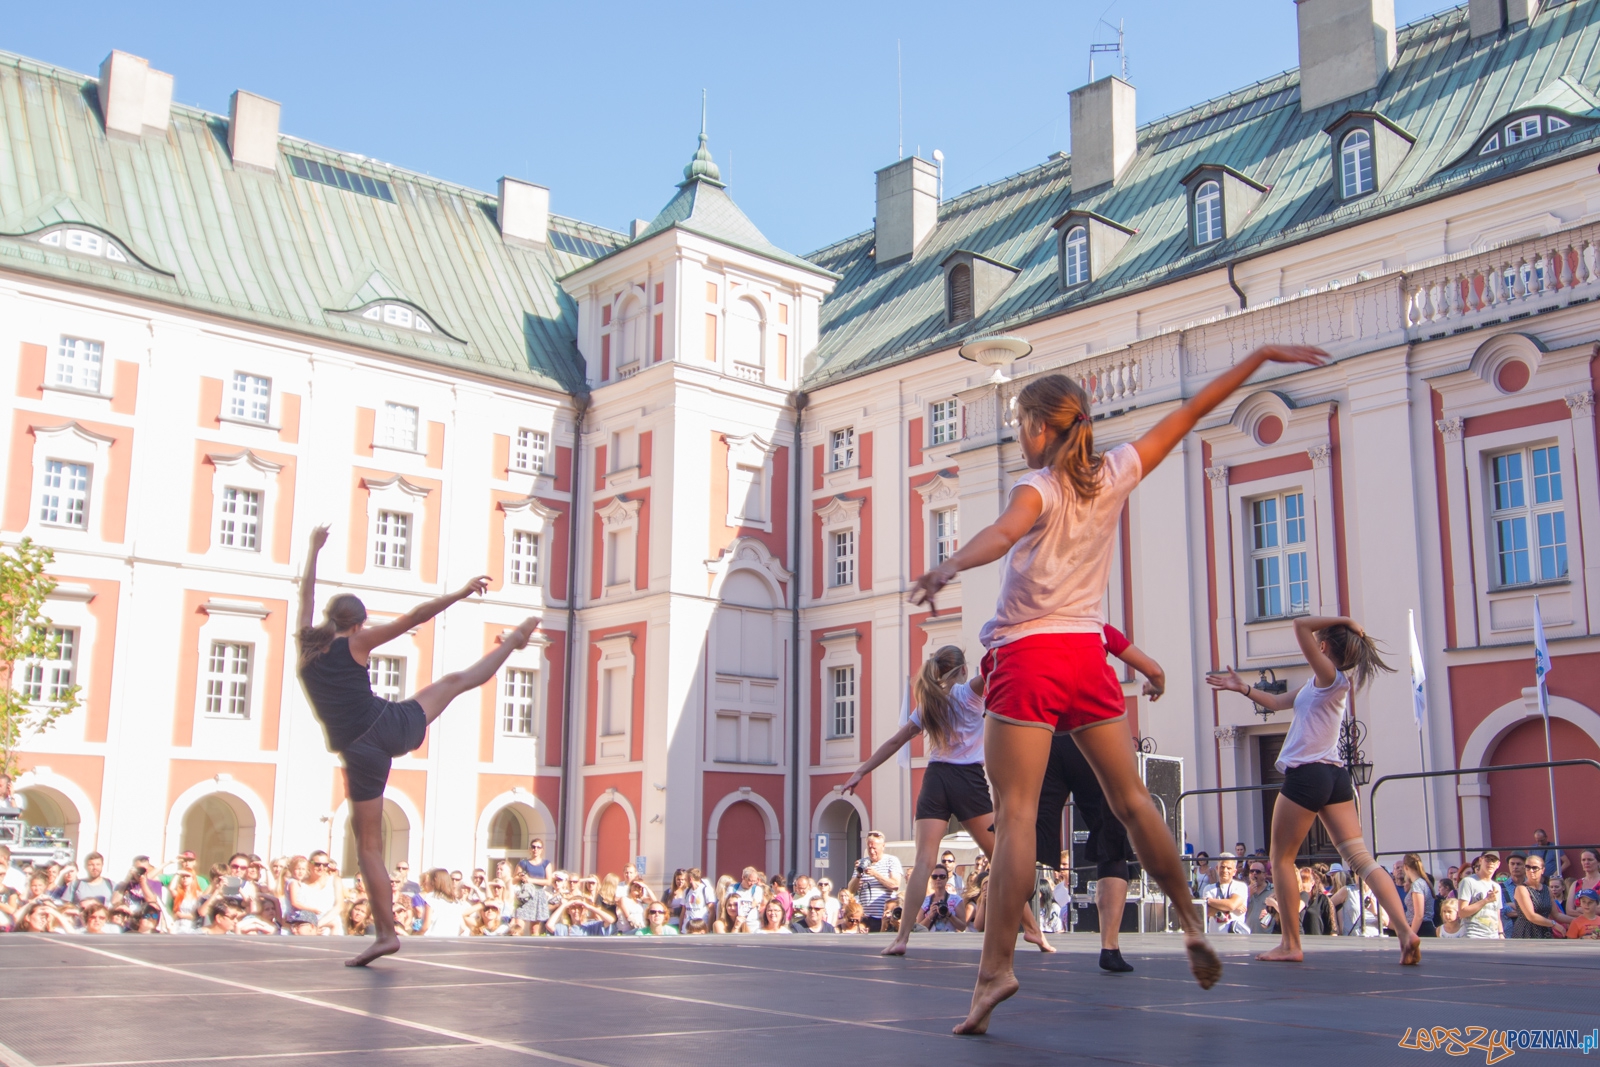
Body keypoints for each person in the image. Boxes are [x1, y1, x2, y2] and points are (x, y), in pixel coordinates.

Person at [913, 355, 1327, 1032]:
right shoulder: (1115, 472)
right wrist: (1257, 360)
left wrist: (951, 563)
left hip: (1028, 654)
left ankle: (994, 973)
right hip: (1087, 656)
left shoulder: (1038, 486)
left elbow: (1003, 531)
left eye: (1022, 424)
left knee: (1016, 817)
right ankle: (1190, 920)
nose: (1020, 436)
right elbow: (1190, 412)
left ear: (1042, 429)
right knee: (1133, 801)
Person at [295, 523, 538, 965]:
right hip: (389, 726)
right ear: (359, 622)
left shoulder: (308, 648)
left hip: (358, 750)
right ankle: (514, 643)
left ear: (330, 619)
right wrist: (462, 593)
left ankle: (386, 933)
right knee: (455, 681)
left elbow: (305, 596)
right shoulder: (357, 642)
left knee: (368, 846)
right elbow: (415, 618)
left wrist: (313, 551)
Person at [1208, 612, 1419, 967]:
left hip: (1308, 774)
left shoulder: (1329, 677)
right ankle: (1404, 932)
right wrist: (1242, 688)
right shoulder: (1321, 684)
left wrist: (1347, 620)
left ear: (1322, 647)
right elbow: (1276, 703)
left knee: (1281, 859)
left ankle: (1291, 943)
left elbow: (1299, 625)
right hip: (1334, 777)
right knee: (1361, 859)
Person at [843, 646, 1050, 956]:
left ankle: (901, 938)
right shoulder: (969, 692)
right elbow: (1000, 668)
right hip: (967, 781)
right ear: (962, 670)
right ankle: (1032, 930)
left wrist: (861, 771)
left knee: (924, 860)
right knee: (1001, 858)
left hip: (936, 779)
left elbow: (896, 741)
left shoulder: (930, 704)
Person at [1034, 622, 1164, 972]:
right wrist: (1156, 685)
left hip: (1048, 737)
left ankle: (999, 950)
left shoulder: (1033, 624)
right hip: (1093, 736)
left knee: (1024, 835)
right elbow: (1154, 670)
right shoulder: (1096, 629)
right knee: (1112, 842)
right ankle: (1110, 946)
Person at [845, 832, 904, 934]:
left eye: (874, 848)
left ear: (883, 846)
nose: (872, 852)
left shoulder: (891, 861)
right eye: (869, 848)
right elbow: (850, 890)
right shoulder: (862, 863)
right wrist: (859, 875)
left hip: (884, 917)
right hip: (865, 918)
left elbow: (895, 885)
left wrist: (875, 874)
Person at [1511, 855, 1565, 939]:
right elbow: (1531, 916)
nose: (1531, 870)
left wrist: (1577, 919)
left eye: (1534, 868)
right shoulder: (1521, 889)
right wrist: (1554, 924)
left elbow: (1556, 915)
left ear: (1542, 870)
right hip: (1527, 932)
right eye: (1528, 867)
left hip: (1544, 931)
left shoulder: (1547, 889)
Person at [1455, 853, 1504, 940]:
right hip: (1473, 935)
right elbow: (1462, 912)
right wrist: (1486, 900)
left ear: (1498, 864)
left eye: (1493, 860)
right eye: (1487, 860)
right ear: (1481, 860)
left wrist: (1500, 934)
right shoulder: (1468, 882)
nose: (1490, 863)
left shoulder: (1497, 886)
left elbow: (1497, 914)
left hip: (1493, 937)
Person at [421, 868, 482, 937]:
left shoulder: (431, 897)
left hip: (433, 941)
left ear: (434, 880)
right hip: (452, 940)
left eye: (429, 879)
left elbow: (426, 926)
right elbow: (462, 928)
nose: (427, 882)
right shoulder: (455, 901)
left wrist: (416, 935)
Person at [1203, 854, 1249, 934]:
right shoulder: (1208, 888)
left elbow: (1232, 904)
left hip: (1236, 937)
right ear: (1217, 868)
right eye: (1222, 867)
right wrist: (1231, 907)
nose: (1225, 870)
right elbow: (1208, 911)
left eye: (1229, 868)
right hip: (1215, 938)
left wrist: (1208, 901)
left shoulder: (1241, 886)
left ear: (1234, 872)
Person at [917, 866, 968, 932]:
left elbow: (962, 927)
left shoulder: (956, 900)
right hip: (930, 940)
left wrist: (949, 914)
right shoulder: (925, 901)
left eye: (942, 876)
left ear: (947, 878)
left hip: (949, 939)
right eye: (934, 877)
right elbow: (918, 928)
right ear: (931, 879)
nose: (938, 879)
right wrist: (930, 915)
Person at [1397, 854, 1436, 939]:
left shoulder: (1417, 885)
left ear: (1406, 867)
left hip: (1421, 929)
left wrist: (1410, 936)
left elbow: (1419, 915)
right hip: (1423, 928)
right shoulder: (1422, 882)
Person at [1567, 849, 1600, 915]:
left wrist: (1579, 909)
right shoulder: (1576, 884)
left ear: (1598, 862)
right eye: (1583, 860)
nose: (1586, 862)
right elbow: (1569, 911)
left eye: (1590, 860)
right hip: (1579, 924)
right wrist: (1590, 912)